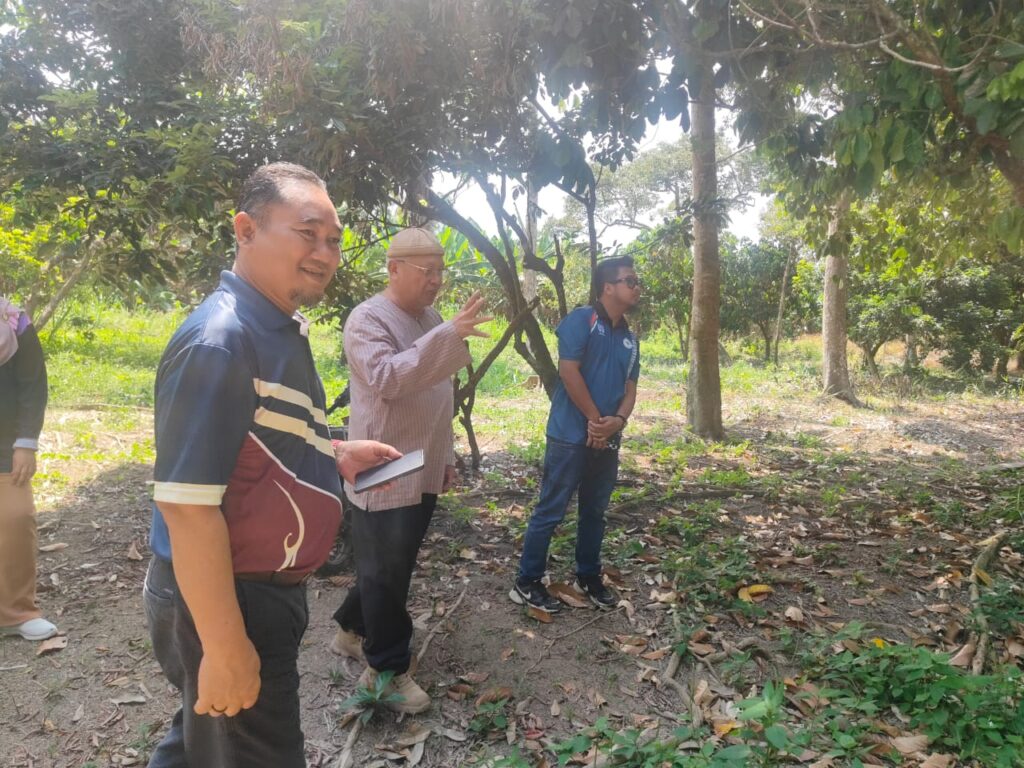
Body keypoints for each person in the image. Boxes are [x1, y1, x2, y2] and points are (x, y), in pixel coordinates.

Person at [143, 162, 401, 768]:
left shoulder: (274, 326)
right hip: (228, 596)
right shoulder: (221, 341)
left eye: (333, 240)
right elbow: (185, 505)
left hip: (257, 591)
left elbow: (252, 438)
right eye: (307, 233)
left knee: (205, 742)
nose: (324, 253)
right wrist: (225, 645)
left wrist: (334, 454)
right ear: (246, 229)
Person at [330, 226, 490, 713]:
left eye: (441, 271)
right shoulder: (367, 319)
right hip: (380, 464)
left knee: (392, 562)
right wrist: (447, 335)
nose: (437, 280)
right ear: (394, 268)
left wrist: (444, 458)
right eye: (428, 271)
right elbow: (387, 379)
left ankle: (352, 630)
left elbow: (439, 392)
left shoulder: (430, 318)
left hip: (422, 459)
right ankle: (386, 669)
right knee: (386, 568)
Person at [510, 256, 641, 613]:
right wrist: (596, 421)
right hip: (569, 436)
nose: (636, 287)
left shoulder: (630, 339)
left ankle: (588, 574)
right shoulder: (581, 321)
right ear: (608, 287)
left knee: (595, 512)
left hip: (607, 437)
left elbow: (630, 388)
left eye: (637, 281)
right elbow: (569, 373)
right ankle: (527, 581)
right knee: (551, 510)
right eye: (630, 281)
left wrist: (617, 421)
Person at [0, 298, 57, 642]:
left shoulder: (14, 322)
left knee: (16, 519)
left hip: (7, 443)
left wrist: (26, 443)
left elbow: (33, 386)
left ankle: (17, 612)